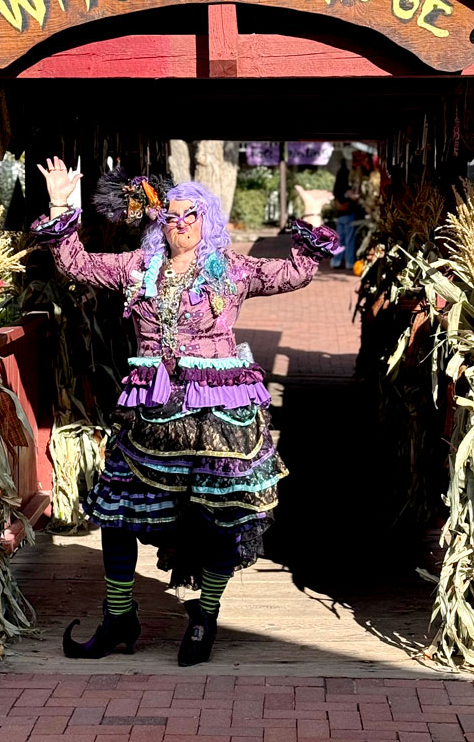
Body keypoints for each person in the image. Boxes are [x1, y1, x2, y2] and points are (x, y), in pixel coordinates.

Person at [32, 158, 340, 666]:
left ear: (207, 220)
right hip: (151, 415)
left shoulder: (232, 269)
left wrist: (310, 216)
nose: (180, 224)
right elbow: (76, 264)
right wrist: (60, 203)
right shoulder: (138, 266)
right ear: (160, 222)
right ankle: (118, 616)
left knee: (221, 517)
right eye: (171, 216)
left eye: (190, 216)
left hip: (218, 416)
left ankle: (206, 614)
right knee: (117, 511)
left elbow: (296, 272)